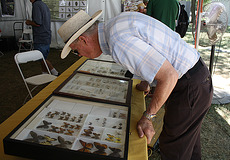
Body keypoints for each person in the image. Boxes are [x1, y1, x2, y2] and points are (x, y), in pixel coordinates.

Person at [58, 10, 213, 160]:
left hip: (188, 85)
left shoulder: (117, 42)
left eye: (76, 51)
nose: (79, 55)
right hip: (195, 77)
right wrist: (146, 82)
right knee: (189, 142)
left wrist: (148, 117)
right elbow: (151, 50)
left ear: (84, 40)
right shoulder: (116, 24)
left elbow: (169, 76)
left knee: (174, 148)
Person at [136, 0, 179, 94]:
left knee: (149, 61)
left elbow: (147, 18)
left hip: (155, 36)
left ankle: (145, 84)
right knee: (166, 64)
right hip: (169, 37)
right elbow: (174, 18)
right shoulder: (175, 2)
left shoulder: (153, 1)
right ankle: (161, 88)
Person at [26, 0, 59, 76]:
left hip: (40, 36)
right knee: (43, 57)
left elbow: (38, 23)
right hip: (46, 35)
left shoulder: (36, 5)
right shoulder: (43, 4)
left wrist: (29, 22)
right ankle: (44, 73)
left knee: (41, 58)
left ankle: (55, 73)